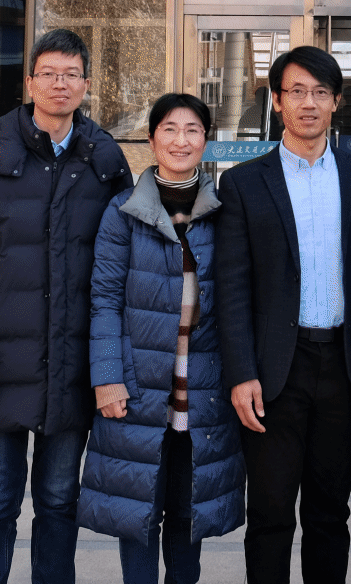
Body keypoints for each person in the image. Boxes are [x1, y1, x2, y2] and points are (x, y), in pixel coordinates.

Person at [0, 28, 132, 584]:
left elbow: (125, 260)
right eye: (48, 74)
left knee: (58, 501)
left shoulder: (104, 157)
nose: (59, 84)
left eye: (71, 75)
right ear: (30, 83)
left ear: (86, 84)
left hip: (70, 365)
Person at [215, 46, 351, 584]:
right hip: (272, 372)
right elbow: (232, 288)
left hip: (341, 368)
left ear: (336, 102)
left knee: (330, 514)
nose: (308, 103)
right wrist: (241, 373)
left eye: (320, 92)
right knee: (270, 515)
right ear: (277, 101)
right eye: (296, 92)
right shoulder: (243, 183)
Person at [79, 92, 245, 583]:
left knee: (188, 513)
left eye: (192, 130)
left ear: (206, 141)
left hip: (204, 392)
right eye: (169, 129)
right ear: (152, 140)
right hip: (139, 387)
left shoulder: (225, 212)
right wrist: (107, 379)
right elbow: (104, 300)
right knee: (139, 513)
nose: (180, 140)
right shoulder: (123, 213)